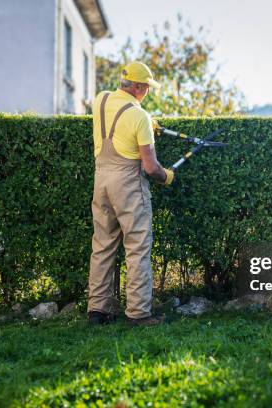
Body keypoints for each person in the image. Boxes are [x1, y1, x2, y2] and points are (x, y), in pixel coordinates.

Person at [87, 61, 174, 327]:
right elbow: (151, 168)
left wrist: (148, 123)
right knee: (137, 247)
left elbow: (119, 117)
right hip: (127, 184)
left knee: (102, 245)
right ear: (137, 86)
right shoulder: (140, 117)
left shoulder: (100, 100)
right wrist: (167, 177)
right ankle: (138, 314)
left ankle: (97, 311)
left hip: (101, 180)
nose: (148, 91)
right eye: (146, 87)